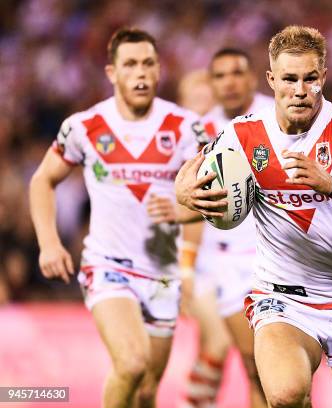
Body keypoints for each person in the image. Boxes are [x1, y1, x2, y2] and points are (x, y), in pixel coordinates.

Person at [174, 25, 332, 407]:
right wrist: (184, 192)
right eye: (289, 79)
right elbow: (192, 177)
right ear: (271, 79)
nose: (299, 89)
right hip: (283, 298)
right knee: (285, 394)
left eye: (310, 79)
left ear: (323, 77)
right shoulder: (243, 134)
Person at [29, 28, 208, 407]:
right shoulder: (85, 127)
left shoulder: (188, 128)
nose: (140, 73)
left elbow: (218, 199)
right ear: (112, 73)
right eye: (130, 65)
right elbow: (43, 179)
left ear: (160, 70)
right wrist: (48, 242)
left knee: (146, 390)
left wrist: (185, 214)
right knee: (131, 363)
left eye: (148, 63)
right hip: (108, 266)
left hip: (163, 273)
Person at [177, 48, 273, 408]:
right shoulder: (202, 132)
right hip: (229, 263)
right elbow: (191, 206)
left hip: (278, 256)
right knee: (254, 366)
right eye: (219, 75)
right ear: (212, 82)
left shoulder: (278, 113)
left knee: (277, 370)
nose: (229, 82)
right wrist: (185, 265)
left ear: (253, 77)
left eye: (236, 73)